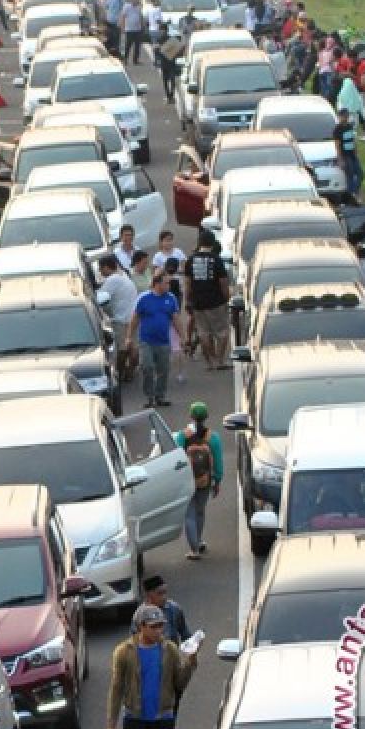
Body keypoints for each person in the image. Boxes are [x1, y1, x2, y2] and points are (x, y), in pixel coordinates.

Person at [104, 604, 197, 729]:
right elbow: (116, 689)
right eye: (153, 626)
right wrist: (111, 725)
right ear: (141, 626)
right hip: (135, 721)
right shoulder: (124, 652)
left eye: (160, 626)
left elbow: (180, 683)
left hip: (163, 720)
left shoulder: (170, 650)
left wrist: (191, 661)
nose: (158, 630)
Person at [173, 402, 222, 560]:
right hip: (205, 480)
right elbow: (219, 462)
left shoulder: (182, 436)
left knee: (189, 514)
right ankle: (199, 541)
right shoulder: (213, 437)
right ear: (206, 417)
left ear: (191, 417)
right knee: (200, 511)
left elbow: (177, 458)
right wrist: (217, 480)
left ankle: (194, 549)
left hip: (187, 479)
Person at [127, 271, 180, 408]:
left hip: (163, 341)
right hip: (146, 341)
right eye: (166, 283)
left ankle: (160, 396)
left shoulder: (171, 298)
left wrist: (183, 336)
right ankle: (149, 396)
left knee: (163, 370)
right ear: (157, 284)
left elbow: (175, 319)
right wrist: (129, 337)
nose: (169, 285)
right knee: (147, 367)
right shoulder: (144, 298)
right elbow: (135, 319)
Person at [182, 231, 231, 371]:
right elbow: (223, 282)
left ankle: (210, 361)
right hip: (216, 301)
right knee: (222, 332)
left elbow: (187, 283)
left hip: (198, 302)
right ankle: (220, 360)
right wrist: (226, 298)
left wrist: (188, 300)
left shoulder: (190, 260)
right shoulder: (216, 259)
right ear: (212, 243)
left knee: (204, 332)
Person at [100, 256, 141, 384]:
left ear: (106, 267)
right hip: (133, 317)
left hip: (120, 319)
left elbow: (101, 298)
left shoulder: (112, 280)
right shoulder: (124, 276)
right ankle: (130, 372)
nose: (101, 272)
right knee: (133, 347)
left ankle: (120, 374)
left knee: (122, 349)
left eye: (101, 269)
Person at [141, 576, 191, 645]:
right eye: (159, 593)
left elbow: (185, 634)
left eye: (165, 592)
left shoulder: (174, 609)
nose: (164, 597)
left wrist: (191, 648)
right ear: (149, 595)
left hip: (172, 654)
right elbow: (134, 642)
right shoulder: (140, 615)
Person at [333, 107, 363, 201]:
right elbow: (337, 145)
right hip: (345, 155)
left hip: (352, 155)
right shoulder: (337, 129)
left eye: (346, 116)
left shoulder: (350, 126)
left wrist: (356, 152)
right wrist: (340, 159)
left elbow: (353, 140)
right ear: (340, 117)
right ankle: (351, 195)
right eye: (343, 116)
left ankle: (354, 191)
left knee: (360, 174)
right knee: (349, 175)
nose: (345, 118)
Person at [155, 23, 183, 103]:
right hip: (170, 61)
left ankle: (169, 96)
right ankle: (170, 96)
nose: (161, 31)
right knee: (170, 80)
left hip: (166, 62)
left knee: (167, 80)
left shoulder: (160, 39)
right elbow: (178, 50)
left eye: (161, 30)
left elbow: (157, 52)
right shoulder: (171, 39)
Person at [120, 0, 146, 64]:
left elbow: (140, 16)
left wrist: (142, 26)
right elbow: (123, 17)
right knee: (128, 45)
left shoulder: (138, 7)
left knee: (137, 46)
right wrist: (122, 27)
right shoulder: (127, 6)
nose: (135, 0)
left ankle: (135, 60)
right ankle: (125, 59)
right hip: (129, 29)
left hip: (137, 29)